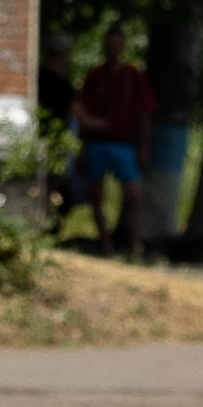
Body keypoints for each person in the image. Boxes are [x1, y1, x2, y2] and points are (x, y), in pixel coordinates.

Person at [68, 28, 152, 250]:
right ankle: (107, 245)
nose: (112, 48)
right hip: (97, 143)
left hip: (124, 144)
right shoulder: (94, 76)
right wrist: (81, 148)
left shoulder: (134, 76)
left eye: (116, 44)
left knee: (133, 193)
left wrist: (143, 147)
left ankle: (134, 245)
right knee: (96, 195)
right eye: (108, 44)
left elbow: (145, 115)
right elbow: (82, 114)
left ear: (123, 46)